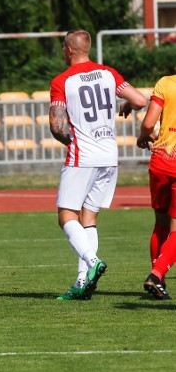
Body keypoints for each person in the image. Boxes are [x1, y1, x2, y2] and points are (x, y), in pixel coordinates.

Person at [49, 30, 147, 300]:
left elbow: (57, 128)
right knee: (88, 218)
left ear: (68, 50)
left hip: (84, 155)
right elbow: (140, 100)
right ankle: (83, 282)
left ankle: (92, 262)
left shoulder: (62, 80)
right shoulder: (108, 73)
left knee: (66, 216)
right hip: (109, 155)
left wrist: (72, 142)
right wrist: (126, 103)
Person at [137, 74, 176, 299]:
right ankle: (156, 274)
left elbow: (149, 123)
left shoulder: (165, 82)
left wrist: (144, 136)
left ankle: (159, 283)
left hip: (160, 161)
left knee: (160, 223)